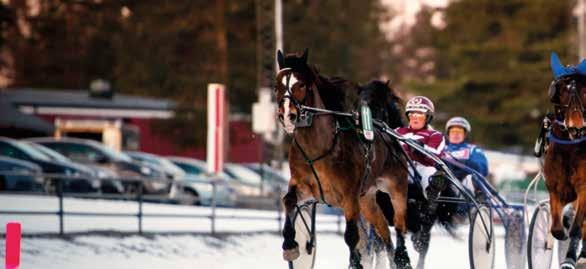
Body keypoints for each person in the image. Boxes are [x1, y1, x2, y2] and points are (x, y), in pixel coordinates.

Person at [395, 96, 446, 207]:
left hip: (421, 167)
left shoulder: (435, 135)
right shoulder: (398, 131)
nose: (415, 117)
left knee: (430, 171)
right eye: (412, 114)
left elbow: (435, 156)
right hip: (399, 166)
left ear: (427, 117)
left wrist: (421, 147)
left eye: (419, 114)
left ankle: (432, 192)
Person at [444, 116, 489, 194]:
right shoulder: (442, 148)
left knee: (470, 177)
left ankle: (475, 201)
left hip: (464, 183)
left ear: (465, 134)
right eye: (453, 131)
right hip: (445, 180)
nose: (456, 134)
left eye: (459, 131)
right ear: (448, 133)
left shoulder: (472, 149)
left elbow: (482, 168)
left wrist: (465, 163)